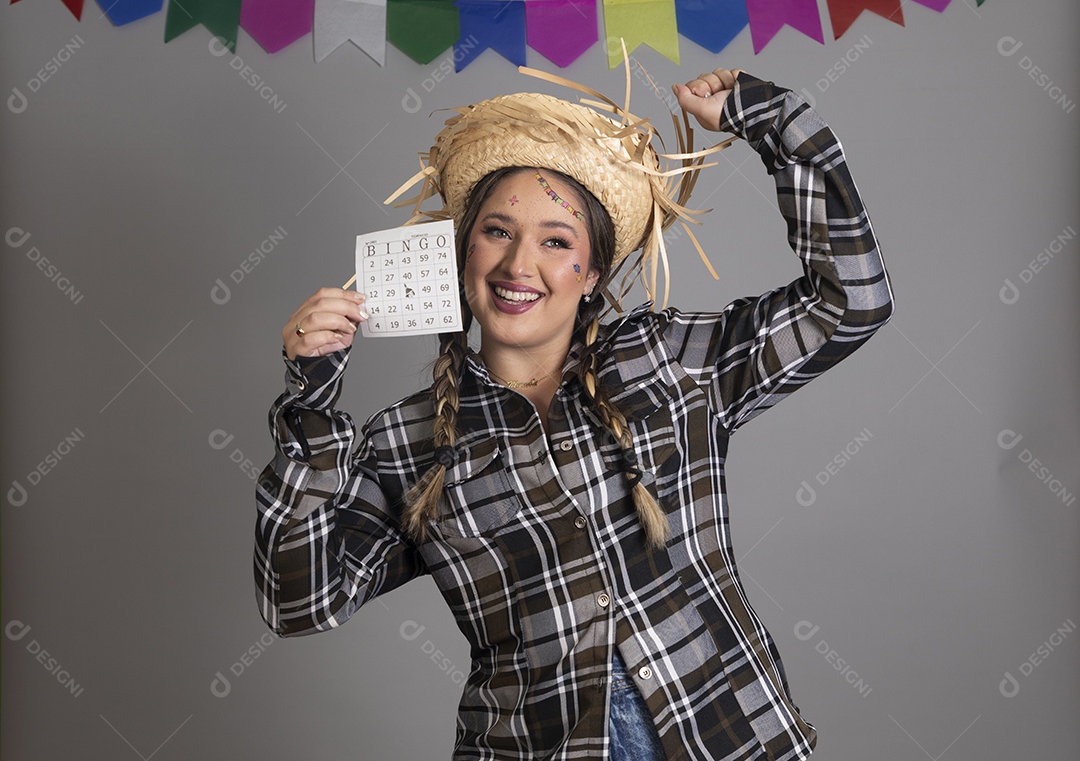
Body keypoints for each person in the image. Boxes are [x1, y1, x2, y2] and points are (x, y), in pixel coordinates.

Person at [254, 66, 893, 760]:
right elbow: (300, 601)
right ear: (465, 250)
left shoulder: (665, 361)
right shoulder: (408, 443)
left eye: (556, 241)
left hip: (728, 738)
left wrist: (773, 120)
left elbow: (850, 299)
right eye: (497, 231)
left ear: (591, 273)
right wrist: (310, 405)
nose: (518, 265)